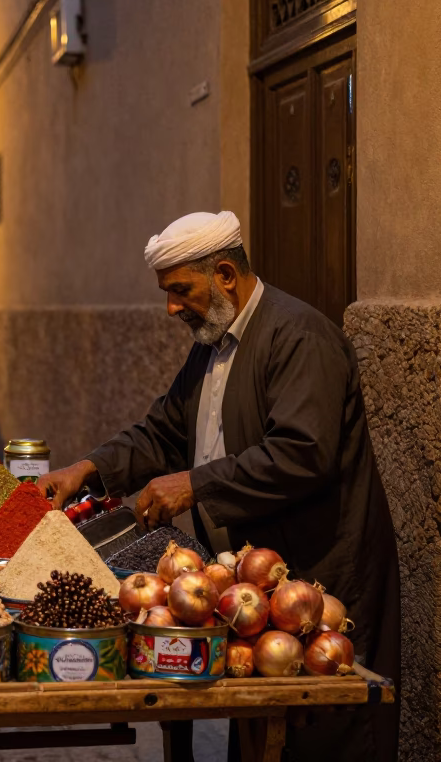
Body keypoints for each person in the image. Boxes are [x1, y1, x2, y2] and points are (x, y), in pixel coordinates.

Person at [37, 211, 399, 762]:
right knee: (260, 732)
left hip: (320, 573)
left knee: (327, 733)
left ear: (225, 274)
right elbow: (163, 431)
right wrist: (86, 469)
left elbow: (303, 453)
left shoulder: (298, 336)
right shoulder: (213, 343)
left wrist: (196, 484)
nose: (171, 308)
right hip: (252, 577)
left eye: (181, 291)